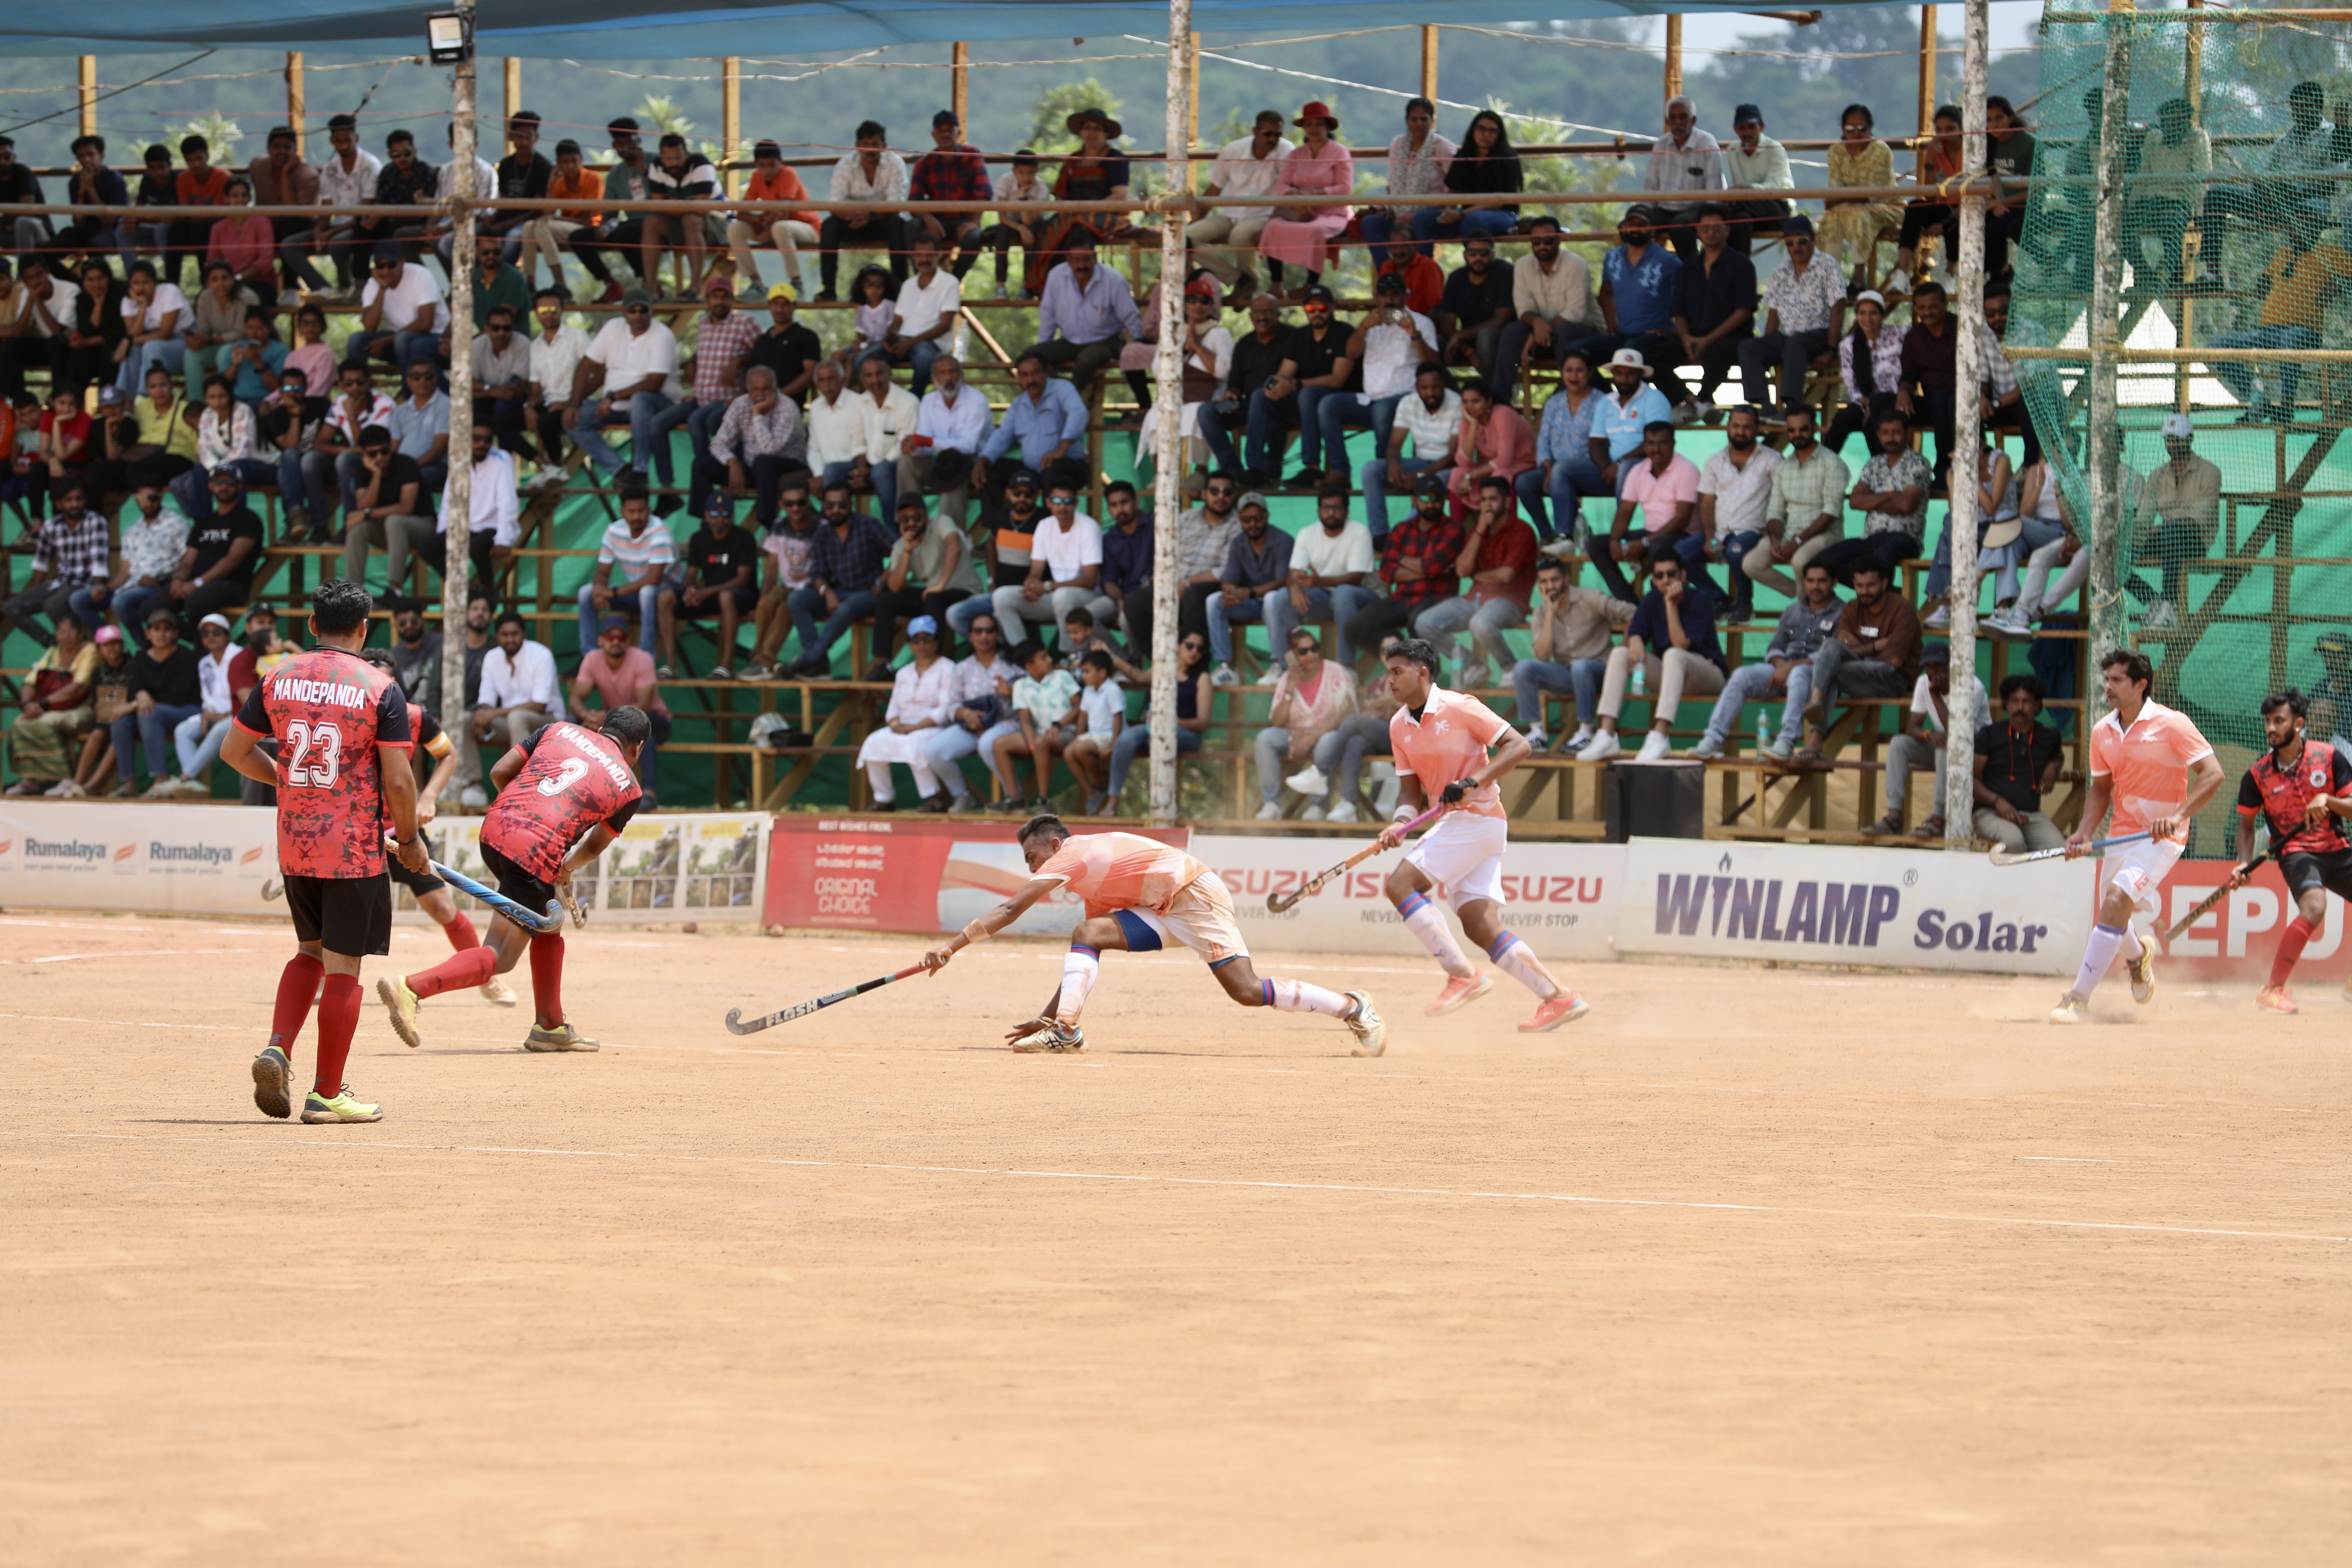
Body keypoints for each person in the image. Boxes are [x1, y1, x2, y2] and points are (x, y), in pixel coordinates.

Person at [218, 580, 427, 1124]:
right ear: (364, 629)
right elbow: (400, 782)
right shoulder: (380, 688)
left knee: (309, 952)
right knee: (343, 969)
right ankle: (327, 1093)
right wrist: (409, 842)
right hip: (353, 850)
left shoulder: (277, 677)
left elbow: (234, 751)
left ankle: (279, 1047)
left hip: (296, 845)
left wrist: (283, 783)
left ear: (312, 625)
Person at [924, 812, 1386, 1053]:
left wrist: (952, 946)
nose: (1033, 868)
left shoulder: (1074, 854)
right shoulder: (1088, 887)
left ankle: (1352, 1007)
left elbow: (1010, 908)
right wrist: (1050, 1017)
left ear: (1055, 846)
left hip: (1194, 894)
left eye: (1033, 857)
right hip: (1161, 908)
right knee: (1089, 931)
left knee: (1245, 991)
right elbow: (1086, 948)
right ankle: (1066, 1031)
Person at [379, 707, 652, 1055]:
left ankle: (550, 1025)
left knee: (548, 922)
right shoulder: (629, 787)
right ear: (638, 748)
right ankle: (411, 988)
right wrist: (567, 864)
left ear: (600, 728)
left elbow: (499, 771)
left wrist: (521, 812)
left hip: (494, 831)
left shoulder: (559, 729)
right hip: (535, 853)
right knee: (502, 954)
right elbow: (595, 844)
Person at [1378, 637, 1584, 1031]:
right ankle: (1559, 997)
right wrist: (1399, 822)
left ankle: (1462, 975)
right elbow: (1410, 792)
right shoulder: (1398, 726)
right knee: (1480, 926)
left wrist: (1473, 780)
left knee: (1401, 885)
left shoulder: (1461, 707)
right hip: (1465, 824)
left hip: (1477, 816)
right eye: (1388, 672)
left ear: (1423, 673)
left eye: (1397, 672)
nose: (1389, 680)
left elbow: (1518, 745)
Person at [2049, 650, 2224, 1024]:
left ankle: (2077, 997)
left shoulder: (2172, 724)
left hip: (2164, 837)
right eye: (2107, 679)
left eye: (2117, 680)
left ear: (2141, 685)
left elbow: (2212, 775)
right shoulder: (2102, 731)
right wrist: (2082, 832)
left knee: (2116, 899)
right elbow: (2101, 788)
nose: (2108, 687)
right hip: (2120, 834)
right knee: (2114, 913)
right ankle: (2138, 957)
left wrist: (2177, 816)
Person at [358, 645, 517, 1006]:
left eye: (383, 678)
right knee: (342, 910)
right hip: (355, 831)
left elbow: (448, 754)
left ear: (394, 683)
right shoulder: (344, 715)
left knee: (443, 908)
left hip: (402, 827)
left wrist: (428, 798)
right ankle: (324, 976)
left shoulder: (414, 716)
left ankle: (485, 978)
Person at [2233, 690, 2352, 1013]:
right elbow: (2246, 828)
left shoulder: (2329, 757)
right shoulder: (2257, 775)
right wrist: (2243, 863)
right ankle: (2273, 990)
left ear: (2299, 724)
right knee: (2315, 907)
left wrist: (2328, 800)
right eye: (2268, 722)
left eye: (2279, 721)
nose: (2271, 728)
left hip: (2337, 847)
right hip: (2296, 852)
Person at [1581, 553, 1728, 763]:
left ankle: (1660, 736)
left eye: (1671, 574)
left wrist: (1670, 604)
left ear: (1683, 575)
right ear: (1654, 579)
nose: (1666, 580)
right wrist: (1636, 638)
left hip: (1709, 673)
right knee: (1620, 654)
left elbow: (1681, 645)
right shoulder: (1652, 599)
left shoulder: (1701, 599)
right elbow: (1636, 629)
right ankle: (1606, 735)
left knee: (1674, 654)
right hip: (1672, 675)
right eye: (1660, 575)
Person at [2210, 210, 2351, 427]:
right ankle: (2261, 403)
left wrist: (2337, 286)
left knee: (2289, 341)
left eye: (2304, 225)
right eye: (2295, 226)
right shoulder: (2282, 255)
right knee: (2217, 346)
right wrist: (2262, 285)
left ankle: (2286, 408)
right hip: (2268, 331)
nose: (2296, 231)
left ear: (2316, 229)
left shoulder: (2329, 254)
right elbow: (2264, 287)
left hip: (2305, 333)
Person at [1693, 559, 1841, 763]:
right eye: (1811, 581)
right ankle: (1712, 741)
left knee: (1799, 674)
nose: (1815, 586)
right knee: (1741, 675)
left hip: (1817, 677)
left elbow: (1833, 654)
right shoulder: (1793, 610)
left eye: (1822, 581)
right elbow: (1775, 647)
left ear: (1835, 582)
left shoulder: (1844, 612)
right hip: (1783, 673)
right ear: (1804, 582)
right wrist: (1781, 666)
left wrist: (1789, 667)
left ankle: (1787, 743)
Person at [1323, 271, 1438, 506]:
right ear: (1377, 298)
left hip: (1406, 399)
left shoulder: (1421, 322)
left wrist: (1413, 333)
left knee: (1383, 410)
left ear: (1404, 297)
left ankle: (1383, 472)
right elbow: (1351, 353)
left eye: (1394, 296)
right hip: (1370, 399)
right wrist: (1365, 326)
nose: (1389, 301)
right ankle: (1340, 471)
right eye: (1384, 296)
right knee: (1328, 405)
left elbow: (1433, 366)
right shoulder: (1371, 325)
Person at [1792, 558, 1921, 764]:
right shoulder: (1853, 608)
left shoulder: (1903, 610)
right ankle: (1815, 705)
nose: (1864, 591)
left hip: (1893, 679)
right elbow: (1842, 645)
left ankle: (1816, 736)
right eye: (1859, 586)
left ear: (1885, 583)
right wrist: (1876, 646)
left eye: (1871, 585)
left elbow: (1895, 661)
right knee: (1832, 648)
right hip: (1860, 672)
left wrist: (1859, 647)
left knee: (1831, 668)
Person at [1414, 475, 1536, 690]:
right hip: (1475, 598)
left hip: (1510, 601)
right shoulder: (1478, 529)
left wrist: (1477, 575)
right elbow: (1462, 570)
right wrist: (1480, 530)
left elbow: (1506, 576)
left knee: (1480, 624)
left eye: (1494, 499)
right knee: (1424, 623)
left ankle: (1511, 668)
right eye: (1484, 500)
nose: (1488, 505)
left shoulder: (1522, 531)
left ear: (1508, 502)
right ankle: (1474, 664)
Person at [1511, 556, 1633, 754]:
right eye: (1544, 581)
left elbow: (1632, 613)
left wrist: (1623, 651)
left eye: (1555, 579)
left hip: (1601, 671)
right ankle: (1538, 734)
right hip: (1567, 673)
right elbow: (1542, 656)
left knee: (1581, 667)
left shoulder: (1590, 597)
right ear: (1539, 584)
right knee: (1523, 668)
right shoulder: (1541, 613)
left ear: (1567, 579)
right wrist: (1551, 613)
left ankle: (1586, 732)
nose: (1550, 586)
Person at [1866, 644, 1989, 840]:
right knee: (1899, 743)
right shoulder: (1924, 682)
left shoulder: (1972, 686)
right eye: (1929, 667)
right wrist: (1928, 735)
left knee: (1944, 747)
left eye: (1939, 666)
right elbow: (1913, 727)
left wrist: (1935, 694)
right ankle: (1895, 816)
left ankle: (1939, 818)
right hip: (1944, 743)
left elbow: (1958, 734)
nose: (1933, 671)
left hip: (1974, 752)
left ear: (1952, 665)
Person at [570, 288, 684, 486]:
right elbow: (587, 365)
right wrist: (573, 403)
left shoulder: (662, 335)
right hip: (615, 405)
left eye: (643, 310)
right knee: (572, 420)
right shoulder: (613, 328)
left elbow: (654, 384)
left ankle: (641, 470)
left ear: (652, 311)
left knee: (641, 399)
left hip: (658, 404)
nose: (638, 315)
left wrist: (613, 397)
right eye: (633, 310)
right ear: (623, 312)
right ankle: (621, 470)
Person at [1344, 471, 1466, 656]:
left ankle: (1429, 677)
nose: (1431, 504)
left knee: (1418, 626)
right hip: (1401, 598)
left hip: (1436, 597)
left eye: (1437, 499)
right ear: (1414, 500)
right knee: (1355, 627)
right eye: (1425, 498)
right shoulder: (1402, 529)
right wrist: (1427, 570)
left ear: (1444, 500)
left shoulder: (1454, 529)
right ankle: (1396, 660)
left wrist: (1400, 559)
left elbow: (1433, 567)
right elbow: (1386, 571)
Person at [1570, 212, 1684, 406]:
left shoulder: (1668, 261)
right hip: (1623, 332)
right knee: (1576, 352)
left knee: (1631, 354)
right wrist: (1611, 322)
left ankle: (1661, 404)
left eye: (1642, 224)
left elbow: (1685, 297)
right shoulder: (1613, 257)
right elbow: (1605, 292)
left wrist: (1673, 330)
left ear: (1653, 229)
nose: (1636, 228)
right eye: (1631, 224)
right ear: (1622, 228)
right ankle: (1609, 399)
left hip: (1655, 334)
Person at [1024, 107, 1139, 298]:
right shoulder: (1073, 160)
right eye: (1087, 128)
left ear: (1106, 134)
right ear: (1081, 132)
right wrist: (1064, 209)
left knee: (1078, 232)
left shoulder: (1115, 158)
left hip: (1105, 212)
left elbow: (1120, 194)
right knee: (1040, 232)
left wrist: (1088, 209)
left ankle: (1080, 288)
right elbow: (1060, 194)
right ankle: (1042, 288)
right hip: (1071, 214)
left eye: (1097, 128)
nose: (1091, 133)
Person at [789, 481, 897, 677]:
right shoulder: (822, 534)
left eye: (842, 505)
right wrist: (827, 593)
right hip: (839, 591)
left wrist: (882, 580)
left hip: (869, 593)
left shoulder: (869, 525)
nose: (836, 510)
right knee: (797, 600)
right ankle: (819, 663)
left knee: (846, 608)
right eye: (830, 506)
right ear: (824, 506)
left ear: (851, 505)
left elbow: (900, 551)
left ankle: (808, 659)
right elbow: (817, 575)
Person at [1740, 216, 1843, 420]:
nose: (1797, 247)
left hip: (1819, 335)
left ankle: (1792, 406)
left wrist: (1831, 350)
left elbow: (1838, 309)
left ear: (1813, 240)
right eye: (1790, 243)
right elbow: (1773, 312)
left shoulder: (1828, 266)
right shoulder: (1782, 270)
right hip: (1788, 336)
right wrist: (1768, 344)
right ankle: (1766, 406)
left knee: (1796, 344)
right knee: (1748, 347)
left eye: (1802, 241)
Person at [1250, 627, 1359, 820]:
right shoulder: (1287, 679)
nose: (1311, 655)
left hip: (1328, 733)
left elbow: (1346, 711)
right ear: (1292, 656)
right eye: (1303, 651)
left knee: (1329, 742)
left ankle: (1319, 807)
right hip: (1295, 735)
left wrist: (1311, 739)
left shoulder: (1336, 671)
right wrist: (1290, 688)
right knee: (1265, 739)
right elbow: (1277, 722)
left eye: (1314, 648)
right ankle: (1272, 805)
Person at [1814, 408, 1930, 588]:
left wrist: (1870, 500)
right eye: (1886, 433)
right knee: (1822, 561)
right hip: (1871, 537)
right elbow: (1855, 502)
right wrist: (1891, 495)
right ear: (1879, 435)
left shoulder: (1919, 463)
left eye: (1896, 433)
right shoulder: (1874, 464)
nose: (1890, 438)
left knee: (1881, 558)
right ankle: (1888, 595)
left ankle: (1882, 599)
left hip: (1905, 538)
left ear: (1908, 433)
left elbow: (1906, 505)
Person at [1264, 483, 1376, 665]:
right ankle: (1286, 665)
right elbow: (1295, 571)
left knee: (1344, 593)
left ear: (1347, 512)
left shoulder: (1359, 532)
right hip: (1326, 599)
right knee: (1281, 598)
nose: (1331, 513)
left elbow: (1356, 579)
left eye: (1337, 508)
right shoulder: (1308, 533)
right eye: (1326, 508)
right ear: (1318, 512)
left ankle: (1346, 666)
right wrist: (1294, 588)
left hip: (1362, 600)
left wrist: (1318, 582)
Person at [854, 615, 959, 809]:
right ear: (910, 643)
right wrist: (895, 725)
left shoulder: (948, 668)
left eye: (927, 638)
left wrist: (915, 727)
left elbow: (945, 709)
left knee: (916, 743)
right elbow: (893, 707)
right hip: (903, 726)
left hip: (935, 727)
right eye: (916, 639)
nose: (922, 644)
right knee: (873, 742)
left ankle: (934, 798)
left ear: (936, 641)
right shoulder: (904, 672)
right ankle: (884, 798)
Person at [1489, 217, 1594, 407]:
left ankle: (1566, 404)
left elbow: (1576, 313)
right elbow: (1523, 308)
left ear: (1559, 239)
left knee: (1565, 330)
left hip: (1582, 336)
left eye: (1548, 241)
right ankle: (1499, 405)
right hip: (1545, 337)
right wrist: (1537, 325)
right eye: (1536, 242)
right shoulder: (1523, 265)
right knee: (1512, 332)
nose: (1542, 246)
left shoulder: (1576, 264)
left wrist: (1537, 332)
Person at [1186, 110, 1293, 296]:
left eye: (1278, 135)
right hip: (1229, 214)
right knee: (1184, 238)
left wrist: (1277, 222)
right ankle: (1241, 280)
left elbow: (1291, 191)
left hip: (1264, 215)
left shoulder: (1287, 151)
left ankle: (1246, 286)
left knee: (1239, 236)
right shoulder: (1233, 150)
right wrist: (1197, 218)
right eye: (1268, 134)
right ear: (1255, 131)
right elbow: (1215, 189)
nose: (1273, 139)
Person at [1664, 206, 1756, 422]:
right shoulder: (1687, 268)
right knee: (1649, 354)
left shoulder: (1742, 264)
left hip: (1731, 337)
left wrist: (1707, 341)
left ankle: (1703, 400)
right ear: (1698, 231)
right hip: (1693, 336)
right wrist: (1686, 338)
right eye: (1706, 228)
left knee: (1719, 352)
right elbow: (1678, 312)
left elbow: (1743, 312)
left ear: (1728, 231)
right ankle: (1695, 404)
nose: (1711, 233)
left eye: (1717, 228)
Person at [1593, 420, 1700, 604]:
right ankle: (1631, 605)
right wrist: (1614, 541)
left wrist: (1644, 542)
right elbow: (1624, 512)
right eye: (1651, 444)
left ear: (1673, 444)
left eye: (1663, 443)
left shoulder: (1687, 469)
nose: (1656, 449)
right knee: (1597, 544)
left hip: (1682, 535)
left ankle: (1660, 605)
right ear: (1645, 446)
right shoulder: (1638, 471)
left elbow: (1682, 519)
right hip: (1652, 534)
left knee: (1658, 547)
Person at [1104, 629, 1210, 812]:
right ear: (1178, 646)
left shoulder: (1202, 679)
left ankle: (1172, 805)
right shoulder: (1162, 669)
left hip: (1186, 733)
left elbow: (1203, 722)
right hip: (1152, 729)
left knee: (1164, 737)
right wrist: (1110, 653)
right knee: (1126, 738)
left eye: (1200, 649)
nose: (1195, 652)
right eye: (1190, 646)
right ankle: (1112, 802)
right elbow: (1137, 676)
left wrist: (1172, 722)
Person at [993, 481, 1111, 643]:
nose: (1062, 506)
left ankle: (1069, 656)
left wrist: (1048, 587)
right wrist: (1032, 586)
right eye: (1057, 501)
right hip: (1055, 597)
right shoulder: (1044, 526)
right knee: (1002, 596)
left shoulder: (1089, 527)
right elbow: (1036, 570)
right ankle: (1024, 656)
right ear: (1048, 502)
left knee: (1062, 596)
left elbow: (1090, 581)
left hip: (1087, 596)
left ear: (1076, 503)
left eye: (1068, 501)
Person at [695, 364, 809, 530]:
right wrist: (733, 463)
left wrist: (758, 414)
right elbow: (718, 443)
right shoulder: (740, 404)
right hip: (755, 467)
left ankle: (768, 525)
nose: (762, 395)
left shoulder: (788, 408)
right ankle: (706, 527)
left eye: (767, 389)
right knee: (701, 464)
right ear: (748, 390)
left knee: (763, 461)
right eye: (756, 390)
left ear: (775, 387)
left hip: (787, 466)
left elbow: (770, 449)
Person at [873, 495, 983, 668]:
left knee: (933, 598)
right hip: (933, 595)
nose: (912, 523)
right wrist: (907, 552)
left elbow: (954, 548)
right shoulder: (901, 545)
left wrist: (940, 585)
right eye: (905, 519)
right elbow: (895, 587)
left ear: (926, 516)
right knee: (887, 601)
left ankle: (935, 662)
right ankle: (884, 664)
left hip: (963, 591)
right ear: (899, 521)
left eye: (917, 517)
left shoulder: (941, 522)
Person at [1259, 103, 1355, 298]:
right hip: (1299, 210)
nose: (1314, 129)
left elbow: (1345, 188)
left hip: (1332, 213)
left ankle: (1310, 285)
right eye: (1309, 124)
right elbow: (1283, 186)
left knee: (1316, 231)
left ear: (1327, 127)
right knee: (1273, 227)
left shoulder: (1340, 152)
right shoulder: (1296, 154)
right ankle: (1277, 285)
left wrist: (1313, 195)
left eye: (1319, 124)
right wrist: (1298, 201)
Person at [659, 493, 759, 679]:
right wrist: (690, 589)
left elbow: (743, 580)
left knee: (727, 596)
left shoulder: (744, 538)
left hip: (743, 595)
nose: (720, 519)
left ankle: (727, 665)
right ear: (706, 514)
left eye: (725, 514)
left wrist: (705, 592)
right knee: (665, 596)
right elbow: (691, 574)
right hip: (712, 595)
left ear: (732, 515)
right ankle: (671, 664)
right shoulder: (699, 538)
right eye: (715, 514)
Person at [1518, 349, 1609, 549]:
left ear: (1590, 373)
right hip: (1557, 469)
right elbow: (1543, 442)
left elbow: (1604, 444)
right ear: (1561, 372)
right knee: (1524, 483)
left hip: (1591, 469)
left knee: (1563, 471)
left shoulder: (1603, 402)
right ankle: (1548, 535)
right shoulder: (1554, 402)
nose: (1574, 376)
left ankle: (1565, 536)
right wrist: (1549, 468)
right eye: (1569, 370)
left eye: (1580, 371)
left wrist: (1559, 470)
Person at [1025, 237, 1140, 390]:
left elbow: (1130, 315)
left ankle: (1070, 399)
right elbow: (1048, 313)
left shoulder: (1114, 280)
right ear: (1068, 260)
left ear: (1095, 258)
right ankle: (1061, 395)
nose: (1082, 265)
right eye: (1076, 260)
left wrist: (1139, 344)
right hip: (1070, 341)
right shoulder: (1056, 277)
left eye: (1087, 260)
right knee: (1032, 357)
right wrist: (1045, 344)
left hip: (1106, 340)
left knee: (1087, 360)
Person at [1, 481, 107, 646]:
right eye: (69, 500)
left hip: (86, 583)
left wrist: (94, 591)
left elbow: (99, 565)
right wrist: (34, 592)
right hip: (61, 583)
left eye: (79, 499)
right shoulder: (51, 526)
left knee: (53, 605)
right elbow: (41, 563)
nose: (75, 504)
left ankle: (78, 645)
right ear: (59, 504)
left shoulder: (96, 521)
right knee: (11, 607)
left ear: (85, 500)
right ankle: (54, 646)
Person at [1972, 672, 2066, 858]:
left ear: (2038, 705)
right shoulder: (1990, 735)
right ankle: (2005, 887)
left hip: (2030, 815)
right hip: (1990, 812)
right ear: (2006, 704)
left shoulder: (2050, 735)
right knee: (2013, 843)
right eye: (2015, 701)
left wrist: (2053, 766)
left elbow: (2058, 756)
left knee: (2061, 852)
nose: (2020, 707)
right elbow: (1971, 780)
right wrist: (1998, 802)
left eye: (2027, 701)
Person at [1204, 491, 1293, 686]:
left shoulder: (1283, 540)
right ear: (1240, 520)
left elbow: (1283, 580)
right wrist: (1230, 593)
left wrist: (1248, 593)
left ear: (1267, 517)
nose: (1253, 524)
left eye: (1257, 519)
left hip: (1281, 603)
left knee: (1272, 598)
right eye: (1246, 520)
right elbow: (1230, 578)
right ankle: (1226, 668)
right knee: (1214, 601)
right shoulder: (1239, 543)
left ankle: (1279, 665)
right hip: (1252, 603)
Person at [469, 610, 566, 787]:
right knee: (465, 720)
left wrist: (493, 713)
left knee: (517, 717)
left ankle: (521, 785)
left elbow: (540, 705)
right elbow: (487, 699)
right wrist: (483, 714)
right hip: (511, 724)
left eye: (515, 634)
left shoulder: (540, 654)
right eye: (505, 635)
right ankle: (473, 787)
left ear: (524, 634)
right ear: (497, 637)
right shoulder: (492, 657)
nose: (510, 640)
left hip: (549, 723)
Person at [1364, 360, 1460, 537]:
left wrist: (1420, 476)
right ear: (1416, 387)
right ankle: (1379, 535)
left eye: (1435, 387)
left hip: (1448, 467)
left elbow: (1453, 456)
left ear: (1444, 385)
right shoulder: (1408, 403)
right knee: (1371, 470)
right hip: (1420, 462)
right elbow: (1394, 445)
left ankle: (1406, 535)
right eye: (1425, 388)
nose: (1430, 393)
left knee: (1431, 483)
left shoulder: (1457, 403)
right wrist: (1393, 464)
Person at [6, 614, 96, 796]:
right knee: (19, 724)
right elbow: (31, 682)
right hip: (47, 708)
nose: (66, 636)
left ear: (81, 633)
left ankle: (67, 779)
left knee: (46, 723)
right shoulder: (54, 652)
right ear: (56, 635)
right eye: (62, 632)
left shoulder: (90, 651)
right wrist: (27, 704)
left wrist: (41, 704)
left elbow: (78, 688)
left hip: (83, 709)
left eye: (71, 631)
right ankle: (29, 780)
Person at [1356, 98, 1450, 272]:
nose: (1419, 124)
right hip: (1399, 211)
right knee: (1371, 223)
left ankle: (1421, 277)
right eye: (1414, 119)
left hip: (1430, 213)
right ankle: (1388, 276)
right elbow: (1392, 182)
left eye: (1424, 119)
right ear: (1407, 121)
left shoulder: (1443, 147)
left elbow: (1454, 186)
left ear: (1432, 121)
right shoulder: (1399, 144)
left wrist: (1424, 210)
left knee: (1420, 221)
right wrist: (1391, 206)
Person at [979, 351, 1088, 499]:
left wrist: (1062, 449)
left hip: (1069, 467)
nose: (1031, 380)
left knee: (1052, 469)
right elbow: (1002, 436)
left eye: (1035, 373)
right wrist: (983, 461)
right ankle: (995, 523)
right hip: (1033, 470)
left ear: (1046, 372)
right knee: (991, 471)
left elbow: (1079, 412)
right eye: (1024, 375)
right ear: (1019, 378)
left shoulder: (1062, 388)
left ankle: (1051, 522)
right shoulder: (1019, 404)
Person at [739, 482, 820, 681]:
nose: (795, 508)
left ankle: (764, 662)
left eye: (800, 503)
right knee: (766, 604)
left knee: (788, 608)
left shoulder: (821, 527)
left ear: (808, 503)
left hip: (812, 589)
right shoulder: (778, 526)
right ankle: (759, 660)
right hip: (786, 587)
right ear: (781, 504)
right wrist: (758, 603)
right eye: (790, 503)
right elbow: (771, 569)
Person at [897, 354, 990, 526]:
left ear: (962, 377)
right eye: (943, 373)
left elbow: (968, 447)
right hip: (941, 462)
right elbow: (924, 446)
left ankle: (949, 537)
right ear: (934, 380)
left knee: (954, 467)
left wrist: (927, 442)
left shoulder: (977, 401)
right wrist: (913, 447)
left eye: (953, 372)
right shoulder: (928, 401)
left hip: (973, 465)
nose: (949, 378)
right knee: (907, 462)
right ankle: (911, 523)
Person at [167, 469, 264, 629]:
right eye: (219, 482)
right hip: (195, 583)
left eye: (230, 482)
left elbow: (232, 561)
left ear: (239, 487)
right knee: (152, 606)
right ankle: (192, 642)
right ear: (210, 486)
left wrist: (197, 583)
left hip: (232, 586)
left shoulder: (248, 519)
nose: (224, 487)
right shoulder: (204, 522)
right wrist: (179, 579)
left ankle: (204, 646)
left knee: (196, 603)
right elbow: (188, 560)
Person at [992, 638, 1081, 810]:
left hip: (1067, 731)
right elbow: (1024, 720)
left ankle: (1044, 799)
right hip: (1041, 734)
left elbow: (1079, 706)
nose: (1050, 660)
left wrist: (1058, 726)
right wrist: (1032, 744)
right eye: (1043, 657)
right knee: (999, 744)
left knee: (1041, 743)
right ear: (1029, 667)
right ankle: (1015, 798)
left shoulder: (1063, 677)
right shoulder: (1021, 686)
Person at [1417, 109, 1522, 252]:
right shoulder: (1464, 155)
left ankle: (1475, 269)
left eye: (1493, 131)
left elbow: (1498, 201)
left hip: (1503, 215)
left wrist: (1461, 215)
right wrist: (1449, 212)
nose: (1486, 135)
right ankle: (1425, 270)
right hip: (1467, 214)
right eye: (1482, 129)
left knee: (1473, 220)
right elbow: (1454, 191)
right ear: (1473, 130)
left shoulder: (1507, 158)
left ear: (1499, 134)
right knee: (1422, 219)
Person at [1634, 95, 1724, 259]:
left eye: (1683, 117)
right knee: (1634, 224)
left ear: (1693, 120)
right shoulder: (1661, 144)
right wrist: (1644, 215)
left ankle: (1693, 272)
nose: (1678, 123)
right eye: (1673, 118)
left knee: (1680, 227)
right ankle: (1644, 273)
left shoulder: (1707, 144)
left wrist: (1709, 220)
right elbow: (1650, 187)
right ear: (1668, 121)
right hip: (1666, 208)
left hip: (1696, 209)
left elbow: (1714, 192)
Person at [726, 141, 819, 299]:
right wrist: (760, 219)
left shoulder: (788, 174)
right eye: (763, 165)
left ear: (781, 163)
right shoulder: (757, 177)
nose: (768, 170)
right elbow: (741, 213)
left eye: (772, 165)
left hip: (806, 228)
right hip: (772, 226)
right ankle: (756, 284)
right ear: (756, 165)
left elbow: (782, 214)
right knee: (735, 229)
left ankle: (797, 283)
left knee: (781, 227)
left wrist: (762, 232)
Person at [1888, 106, 1965, 298]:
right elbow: (1930, 196)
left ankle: (1950, 274)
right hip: (1945, 205)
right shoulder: (1936, 151)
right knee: (1915, 208)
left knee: (1958, 222)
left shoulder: (1970, 151)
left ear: (1962, 128)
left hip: (1967, 207)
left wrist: (1943, 224)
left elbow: (1972, 196)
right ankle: (1902, 273)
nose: (1944, 135)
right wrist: (1929, 161)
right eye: (1940, 130)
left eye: (1950, 129)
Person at [167, 611, 247, 797]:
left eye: (217, 632)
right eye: (206, 634)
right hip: (214, 714)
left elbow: (248, 697)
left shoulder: (240, 656)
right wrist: (206, 714)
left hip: (239, 715)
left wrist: (224, 715)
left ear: (227, 635)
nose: (211, 637)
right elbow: (208, 697)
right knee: (183, 730)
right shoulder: (204, 663)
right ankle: (192, 785)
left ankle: (184, 780)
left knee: (220, 729)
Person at [1819, 104, 1899, 284]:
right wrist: (1840, 199)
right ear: (1843, 130)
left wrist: (1840, 199)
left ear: (1870, 129)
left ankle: (1858, 276)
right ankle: (1829, 278)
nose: (1857, 133)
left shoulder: (1880, 150)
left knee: (1856, 215)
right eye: (1850, 129)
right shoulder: (1836, 152)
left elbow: (1873, 193)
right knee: (1831, 218)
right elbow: (1836, 188)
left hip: (1886, 205)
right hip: (1847, 206)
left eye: (1862, 128)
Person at [519, 138, 604, 296]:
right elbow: (547, 214)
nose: (570, 166)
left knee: (541, 226)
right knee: (529, 227)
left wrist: (555, 219)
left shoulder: (594, 179)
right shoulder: (560, 183)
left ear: (581, 160)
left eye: (574, 161)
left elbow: (586, 220)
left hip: (588, 228)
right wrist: (550, 186)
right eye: (565, 162)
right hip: (566, 227)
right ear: (558, 163)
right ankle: (530, 283)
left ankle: (560, 283)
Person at [1443, 382, 1533, 527]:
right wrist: (1473, 425)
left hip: (1523, 463)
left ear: (1489, 401)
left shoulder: (1503, 414)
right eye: (1465, 402)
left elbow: (1505, 461)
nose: (1470, 406)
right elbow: (1463, 463)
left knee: (1500, 476)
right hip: (1495, 465)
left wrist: (1470, 476)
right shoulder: (1468, 421)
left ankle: (1507, 532)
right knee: (1457, 474)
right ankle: (1456, 534)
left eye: (1476, 401)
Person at [1435, 233, 1515, 387]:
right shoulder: (1456, 278)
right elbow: (1447, 325)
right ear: (1465, 255)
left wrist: (1460, 336)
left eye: (1484, 253)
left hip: (1500, 341)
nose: (1478, 258)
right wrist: (1469, 352)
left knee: (1486, 337)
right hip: (1466, 342)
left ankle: (1494, 397)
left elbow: (1499, 321)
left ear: (1493, 254)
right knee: (1435, 343)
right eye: (1473, 253)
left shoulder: (1505, 273)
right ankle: (1454, 398)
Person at [1827, 290, 1901, 454]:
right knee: (1843, 419)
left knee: (1872, 424)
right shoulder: (1849, 345)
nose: (1868, 319)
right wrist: (1869, 405)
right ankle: (1824, 466)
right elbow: (1851, 386)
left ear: (1882, 315)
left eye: (1873, 313)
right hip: (1865, 401)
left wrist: (1874, 407)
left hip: (1895, 400)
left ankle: (1881, 470)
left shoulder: (1899, 334)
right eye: (1862, 313)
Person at [1722, 104, 1794, 256]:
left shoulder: (1775, 149)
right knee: (1741, 220)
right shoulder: (1732, 151)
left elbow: (1773, 187)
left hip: (1777, 208)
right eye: (1742, 128)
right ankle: (1742, 272)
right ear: (1736, 130)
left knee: (1730, 211)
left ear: (1762, 127)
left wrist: (1745, 191)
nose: (1747, 132)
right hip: (1746, 209)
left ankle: (1724, 264)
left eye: (1752, 127)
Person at [978, 148, 1049, 300]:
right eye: (1021, 173)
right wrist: (1020, 228)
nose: (1026, 177)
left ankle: (1027, 285)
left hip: (1033, 223)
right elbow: (1002, 216)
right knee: (1003, 234)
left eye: (1030, 173)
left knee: (1032, 236)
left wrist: (1023, 197)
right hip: (1011, 223)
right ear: (1014, 171)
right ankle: (1001, 286)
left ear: (1036, 171)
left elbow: (1029, 221)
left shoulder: (1041, 189)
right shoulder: (1006, 181)